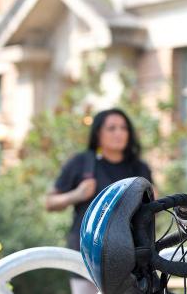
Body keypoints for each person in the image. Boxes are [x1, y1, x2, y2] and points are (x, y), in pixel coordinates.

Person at [45, 108, 153, 294]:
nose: (119, 133)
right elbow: (49, 202)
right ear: (98, 133)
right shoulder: (81, 162)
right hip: (87, 254)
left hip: (131, 255)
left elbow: (153, 206)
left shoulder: (138, 167)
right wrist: (77, 195)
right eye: (111, 128)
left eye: (123, 128)